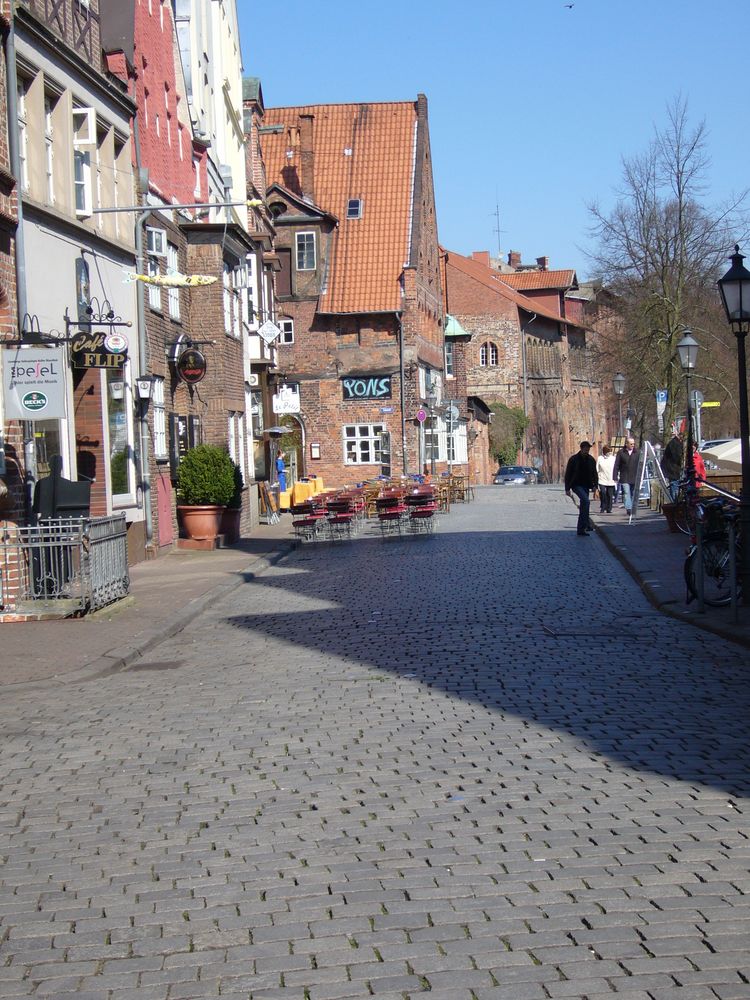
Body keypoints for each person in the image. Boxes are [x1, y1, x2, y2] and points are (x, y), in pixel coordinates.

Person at [564, 440, 598, 536]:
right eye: (586, 449)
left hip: (587, 485)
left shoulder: (591, 460)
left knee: (584, 505)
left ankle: (582, 527)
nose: (587, 451)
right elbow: (568, 474)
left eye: (588, 449)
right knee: (586, 501)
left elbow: (594, 474)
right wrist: (567, 488)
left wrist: (595, 486)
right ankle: (584, 526)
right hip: (576, 485)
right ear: (581, 448)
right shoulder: (574, 459)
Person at [613, 436, 640, 516]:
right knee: (626, 492)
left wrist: (641, 476)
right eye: (631, 444)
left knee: (632, 493)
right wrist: (615, 476)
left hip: (634, 476)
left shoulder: (637, 452)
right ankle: (629, 508)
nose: (632, 445)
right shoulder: (621, 453)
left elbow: (640, 464)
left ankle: (631, 507)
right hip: (624, 476)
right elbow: (616, 465)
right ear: (626, 444)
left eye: (633, 444)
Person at [661, 431, 684, 500]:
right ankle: (674, 502)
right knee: (674, 486)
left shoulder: (675, 443)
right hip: (673, 469)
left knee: (674, 485)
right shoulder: (674, 443)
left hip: (673, 468)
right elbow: (676, 457)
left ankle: (674, 500)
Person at [595, 444, 616, 513]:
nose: (609, 453)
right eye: (608, 452)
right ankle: (603, 507)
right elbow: (597, 468)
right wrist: (597, 477)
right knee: (603, 493)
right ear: (605, 451)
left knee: (610, 495)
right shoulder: (600, 458)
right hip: (602, 479)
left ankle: (609, 508)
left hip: (611, 479)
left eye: (610, 452)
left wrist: (616, 476)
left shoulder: (613, 458)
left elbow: (616, 468)